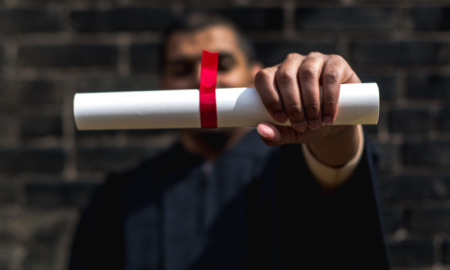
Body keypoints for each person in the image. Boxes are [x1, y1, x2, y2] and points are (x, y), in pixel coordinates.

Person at [68, 12, 390, 270]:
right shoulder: (121, 199)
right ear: (162, 83)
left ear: (256, 74)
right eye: (181, 69)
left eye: (221, 64)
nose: (201, 79)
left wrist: (334, 127)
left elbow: (335, 164)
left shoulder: (292, 165)